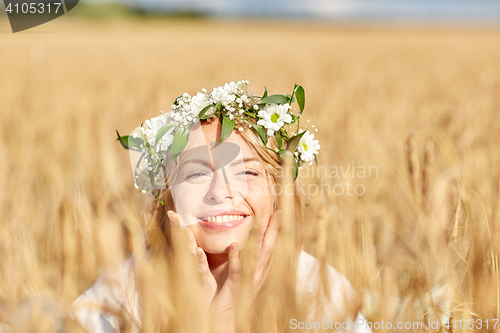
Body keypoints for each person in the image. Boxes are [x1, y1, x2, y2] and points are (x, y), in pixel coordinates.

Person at [70, 80, 372, 333]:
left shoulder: (322, 292)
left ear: (278, 191)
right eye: (197, 173)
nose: (220, 192)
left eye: (247, 172)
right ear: (168, 195)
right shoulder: (120, 296)